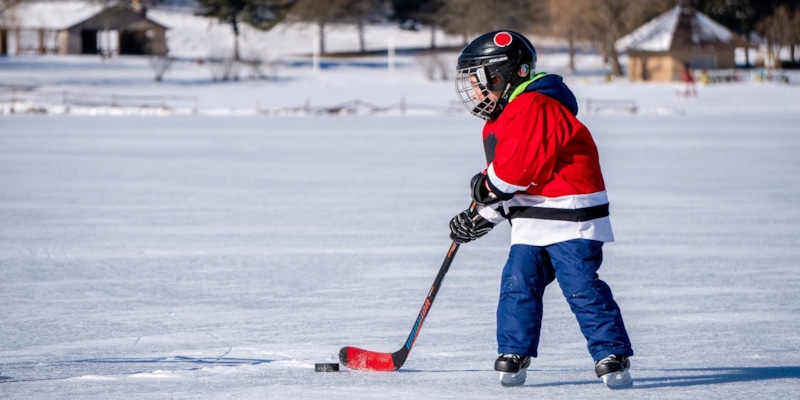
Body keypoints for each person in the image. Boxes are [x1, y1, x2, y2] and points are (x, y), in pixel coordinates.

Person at [448, 30, 633, 388]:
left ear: (503, 75)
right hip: (532, 222)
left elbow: (517, 171)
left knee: (581, 286)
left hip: (571, 219)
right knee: (518, 284)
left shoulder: (535, 105)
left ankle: (610, 352)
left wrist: (487, 187)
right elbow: (514, 184)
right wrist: (482, 216)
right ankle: (514, 351)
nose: (476, 93)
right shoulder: (502, 118)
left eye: (479, 82)